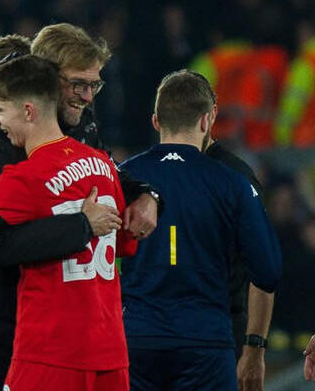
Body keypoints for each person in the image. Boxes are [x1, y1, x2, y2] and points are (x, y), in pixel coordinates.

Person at [0, 33, 124, 391]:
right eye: (79, 84)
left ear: (28, 108)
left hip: (44, 346)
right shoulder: (100, 165)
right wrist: (83, 225)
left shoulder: (20, 177)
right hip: (95, 343)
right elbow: (126, 243)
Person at [119, 69, 282, 391]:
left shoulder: (122, 176)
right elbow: (268, 271)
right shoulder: (232, 182)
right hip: (205, 343)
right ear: (208, 120)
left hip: (134, 340)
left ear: (156, 121)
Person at [204, 137, 275, 391]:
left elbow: (263, 271)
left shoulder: (141, 171)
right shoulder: (143, 174)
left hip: (222, 334)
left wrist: (254, 348)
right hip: (162, 338)